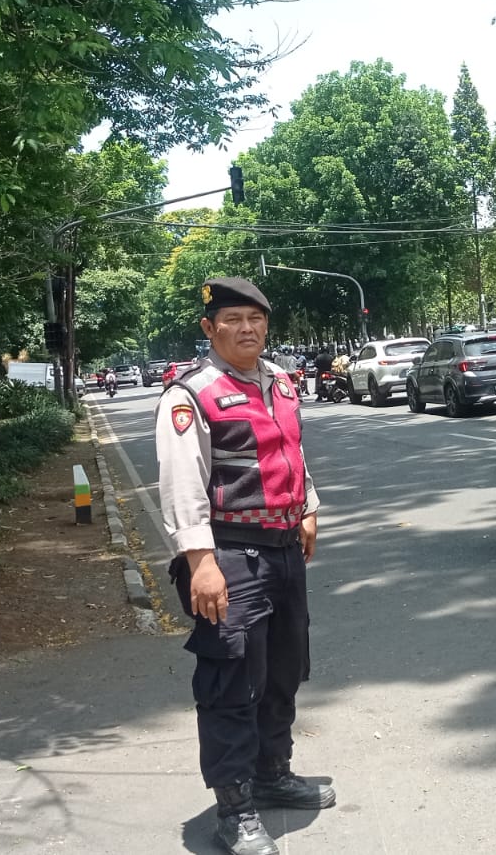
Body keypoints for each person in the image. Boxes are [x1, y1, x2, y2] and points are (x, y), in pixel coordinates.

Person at [156, 277, 334, 855]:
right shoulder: (191, 395)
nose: (247, 328)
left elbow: (291, 450)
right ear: (209, 328)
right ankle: (234, 809)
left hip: (283, 549)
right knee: (231, 681)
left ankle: (272, 773)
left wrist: (307, 507)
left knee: (284, 668)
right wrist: (200, 562)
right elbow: (182, 484)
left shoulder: (279, 380)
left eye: (255, 319)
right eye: (232, 319)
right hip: (228, 554)